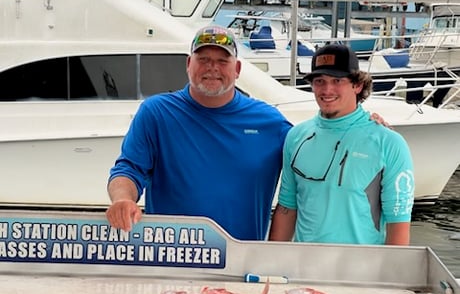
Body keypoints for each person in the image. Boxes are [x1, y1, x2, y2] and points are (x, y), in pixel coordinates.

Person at [105, 25, 292, 241]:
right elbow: (128, 169)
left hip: (242, 262)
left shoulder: (271, 122)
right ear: (188, 64)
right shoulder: (156, 113)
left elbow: (307, 175)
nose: (212, 67)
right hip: (172, 258)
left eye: (223, 61)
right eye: (203, 59)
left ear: (237, 69)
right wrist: (122, 200)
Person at [269, 44, 415, 245]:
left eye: (337, 81)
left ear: (358, 85)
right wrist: (272, 264)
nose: (327, 90)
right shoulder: (296, 136)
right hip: (303, 268)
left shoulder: (389, 143)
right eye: (319, 81)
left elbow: (397, 224)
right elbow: (287, 209)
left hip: (361, 272)